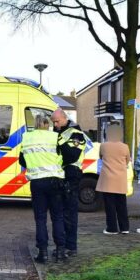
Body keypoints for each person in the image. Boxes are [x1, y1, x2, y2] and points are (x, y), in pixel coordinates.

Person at [19, 114, 65, 263]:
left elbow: (22, 160)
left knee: (40, 218)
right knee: (57, 216)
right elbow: (64, 155)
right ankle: (60, 251)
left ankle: (43, 252)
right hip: (55, 180)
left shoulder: (27, 137)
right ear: (47, 124)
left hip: (37, 182)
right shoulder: (55, 137)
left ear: (35, 124)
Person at [52, 108, 89, 257]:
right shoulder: (58, 133)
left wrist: (58, 141)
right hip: (60, 174)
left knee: (70, 213)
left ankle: (71, 246)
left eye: (57, 121)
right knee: (60, 213)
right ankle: (62, 245)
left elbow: (72, 155)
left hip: (72, 174)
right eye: (53, 122)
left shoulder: (76, 134)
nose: (55, 125)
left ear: (64, 118)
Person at [97, 124, 132, 234]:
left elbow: (101, 157)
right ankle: (124, 227)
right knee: (122, 204)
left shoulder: (103, 146)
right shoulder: (125, 146)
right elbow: (127, 161)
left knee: (110, 205)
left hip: (107, 179)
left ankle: (111, 228)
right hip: (120, 178)